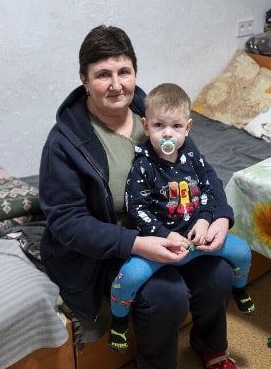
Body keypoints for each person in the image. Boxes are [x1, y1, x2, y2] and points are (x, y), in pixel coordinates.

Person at [39, 25, 240, 369]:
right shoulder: (65, 143)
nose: (116, 84)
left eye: (124, 72)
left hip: (176, 230)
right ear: (84, 80)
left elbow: (204, 173)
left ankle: (210, 345)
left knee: (216, 273)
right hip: (114, 244)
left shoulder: (157, 116)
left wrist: (217, 216)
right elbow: (65, 222)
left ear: (135, 73)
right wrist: (135, 243)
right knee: (167, 294)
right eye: (102, 75)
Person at [108, 83, 255, 354]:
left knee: (243, 251)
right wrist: (163, 234)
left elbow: (210, 189)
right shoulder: (143, 165)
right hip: (162, 243)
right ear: (146, 125)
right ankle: (118, 322)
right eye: (159, 126)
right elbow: (136, 208)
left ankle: (240, 289)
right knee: (129, 276)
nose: (167, 133)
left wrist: (207, 219)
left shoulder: (192, 157)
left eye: (176, 127)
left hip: (197, 240)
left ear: (187, 128)